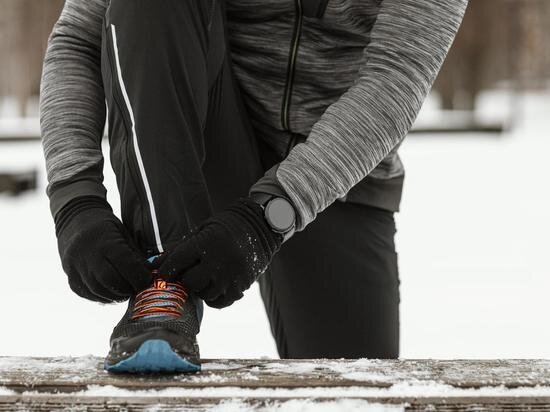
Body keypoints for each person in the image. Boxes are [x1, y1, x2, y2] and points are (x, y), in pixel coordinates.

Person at [40, 0, 467, 373]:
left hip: (340, 170)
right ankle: (162, 286)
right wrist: (74, 196)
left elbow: (398, 74)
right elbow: (80, 37)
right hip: (204, 146)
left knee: (356, 386)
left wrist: (270, 215)